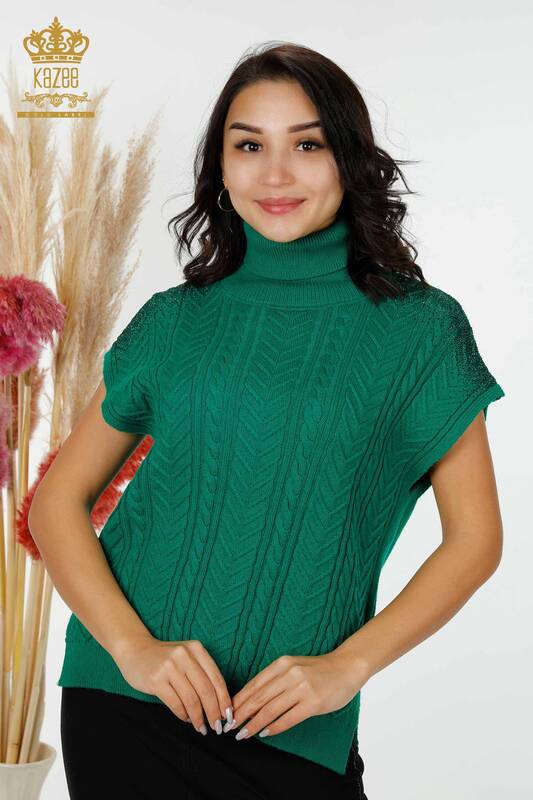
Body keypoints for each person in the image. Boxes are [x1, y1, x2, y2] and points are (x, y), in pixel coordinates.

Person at [29, 42, 505, 799]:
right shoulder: (175, 320)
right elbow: (57, 501)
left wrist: (346, 668)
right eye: (249, 146)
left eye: (307, 145)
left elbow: (475, 540)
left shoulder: (419, 329)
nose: (275, 174)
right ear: (220, 166)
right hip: (123, 704)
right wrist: (132, 649)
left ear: (349, 159)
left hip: (294, 725)